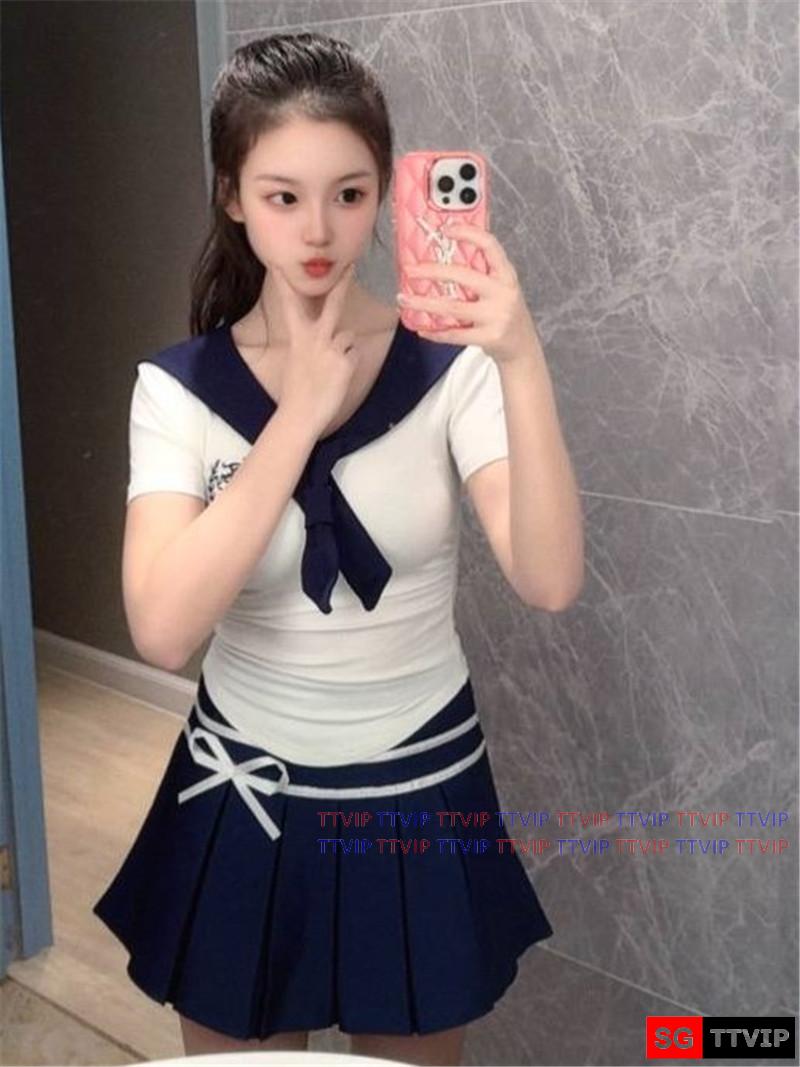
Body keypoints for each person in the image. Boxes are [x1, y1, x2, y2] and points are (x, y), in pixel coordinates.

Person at [92, 30, 583, 1067]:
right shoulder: (175, 391)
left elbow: (548, 580)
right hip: (243, 791)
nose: (318, 230)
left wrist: (519, 357)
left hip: (418, 786)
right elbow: (163, 629)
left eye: (349, 195)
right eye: (283, 196)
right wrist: (297, 416)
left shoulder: (451, 371)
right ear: (231, 196)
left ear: (385, 193)